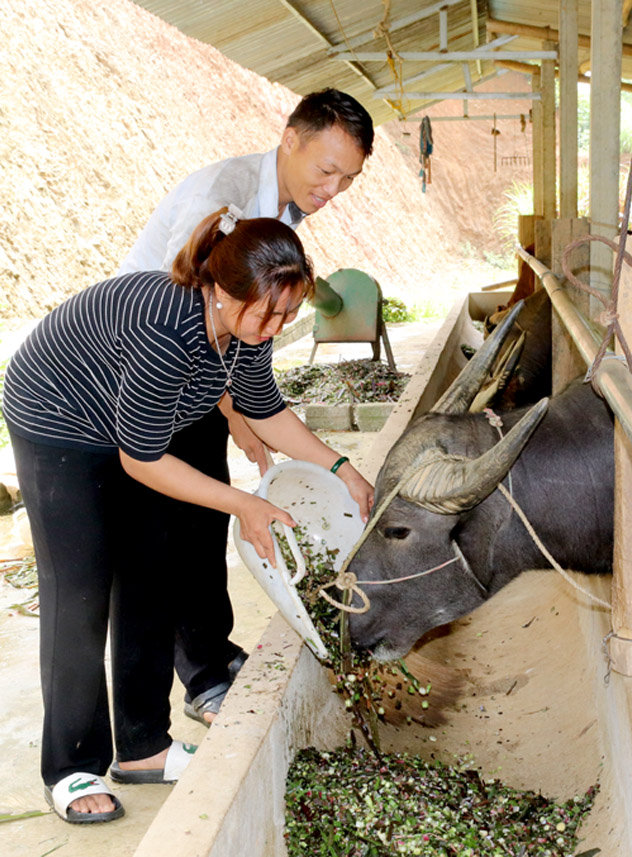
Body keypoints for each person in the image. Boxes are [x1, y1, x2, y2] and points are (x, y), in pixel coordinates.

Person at [4, 208, 374, 823]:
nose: (277, 325)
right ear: (224, 291)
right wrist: (244, 504)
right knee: (81, 593)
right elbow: (144, 461)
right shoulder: (166, 329)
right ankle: (71, 767)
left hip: (132, 429)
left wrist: (343, 469)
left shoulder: (248, 329)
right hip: (59, 424)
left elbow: (265, 409)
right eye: (268, 312)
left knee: (152, 574)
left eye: (288, 312)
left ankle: (144, 747)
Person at [118, 88, 375, 727]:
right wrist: (234, 409)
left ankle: (213, 654)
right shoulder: (226, 198)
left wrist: (240, 404)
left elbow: (241, 332)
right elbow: (193, 299)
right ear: (291, 138)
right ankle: (201, 681)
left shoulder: (288, 204)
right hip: (154, 368)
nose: (333, 189)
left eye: (348, 179)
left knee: (207, 523)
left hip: (206, 366)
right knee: (173, 527)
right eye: (327, 170)